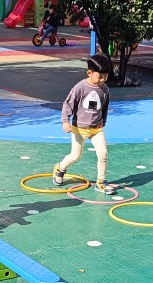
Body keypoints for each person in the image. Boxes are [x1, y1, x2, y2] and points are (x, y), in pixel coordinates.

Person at [52, 54, 115, 195]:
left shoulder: (105, 89)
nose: (102, 79)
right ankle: (60, 168)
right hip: (79, 128)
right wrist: (65, 121)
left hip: (97, 128)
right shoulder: (80, 87)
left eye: (105, 76)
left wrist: (103, 121)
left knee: (103, 154)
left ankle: (101, 181)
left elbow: (104, 107)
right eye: (100, 76)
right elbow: (68, 104)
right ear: (89, 73)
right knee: (75, 156)